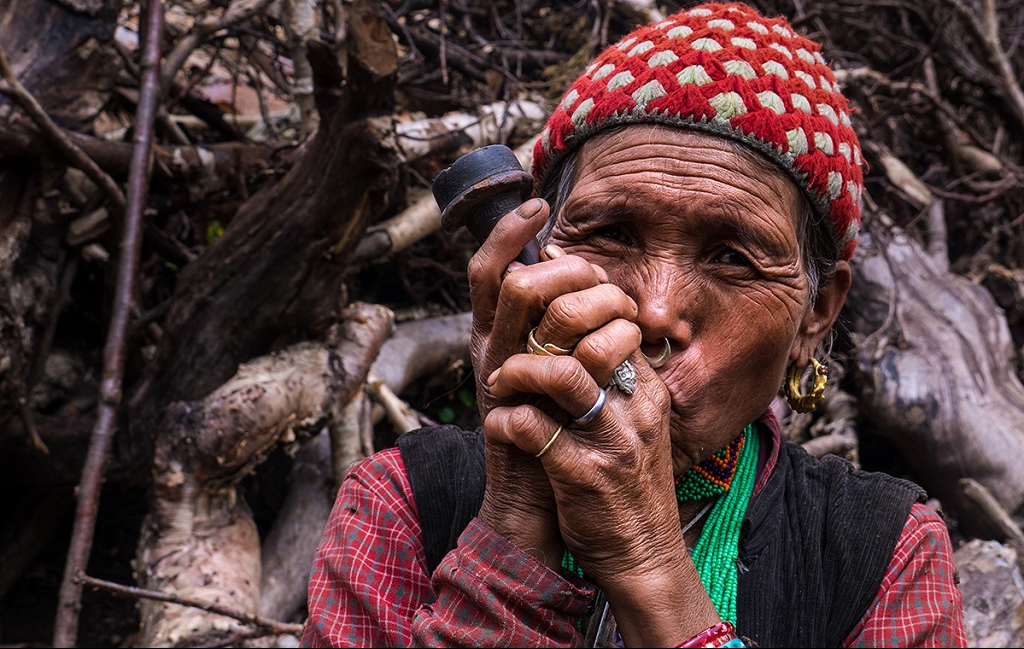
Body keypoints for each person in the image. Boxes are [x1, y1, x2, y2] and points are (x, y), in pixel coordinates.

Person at [300, 2, 967, 647]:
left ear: (815, 315)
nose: (653, 313)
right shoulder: (403, 504)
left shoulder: (885, 555)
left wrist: (646, 563)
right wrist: (516, 522)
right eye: (612, 233)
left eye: (732, 257)